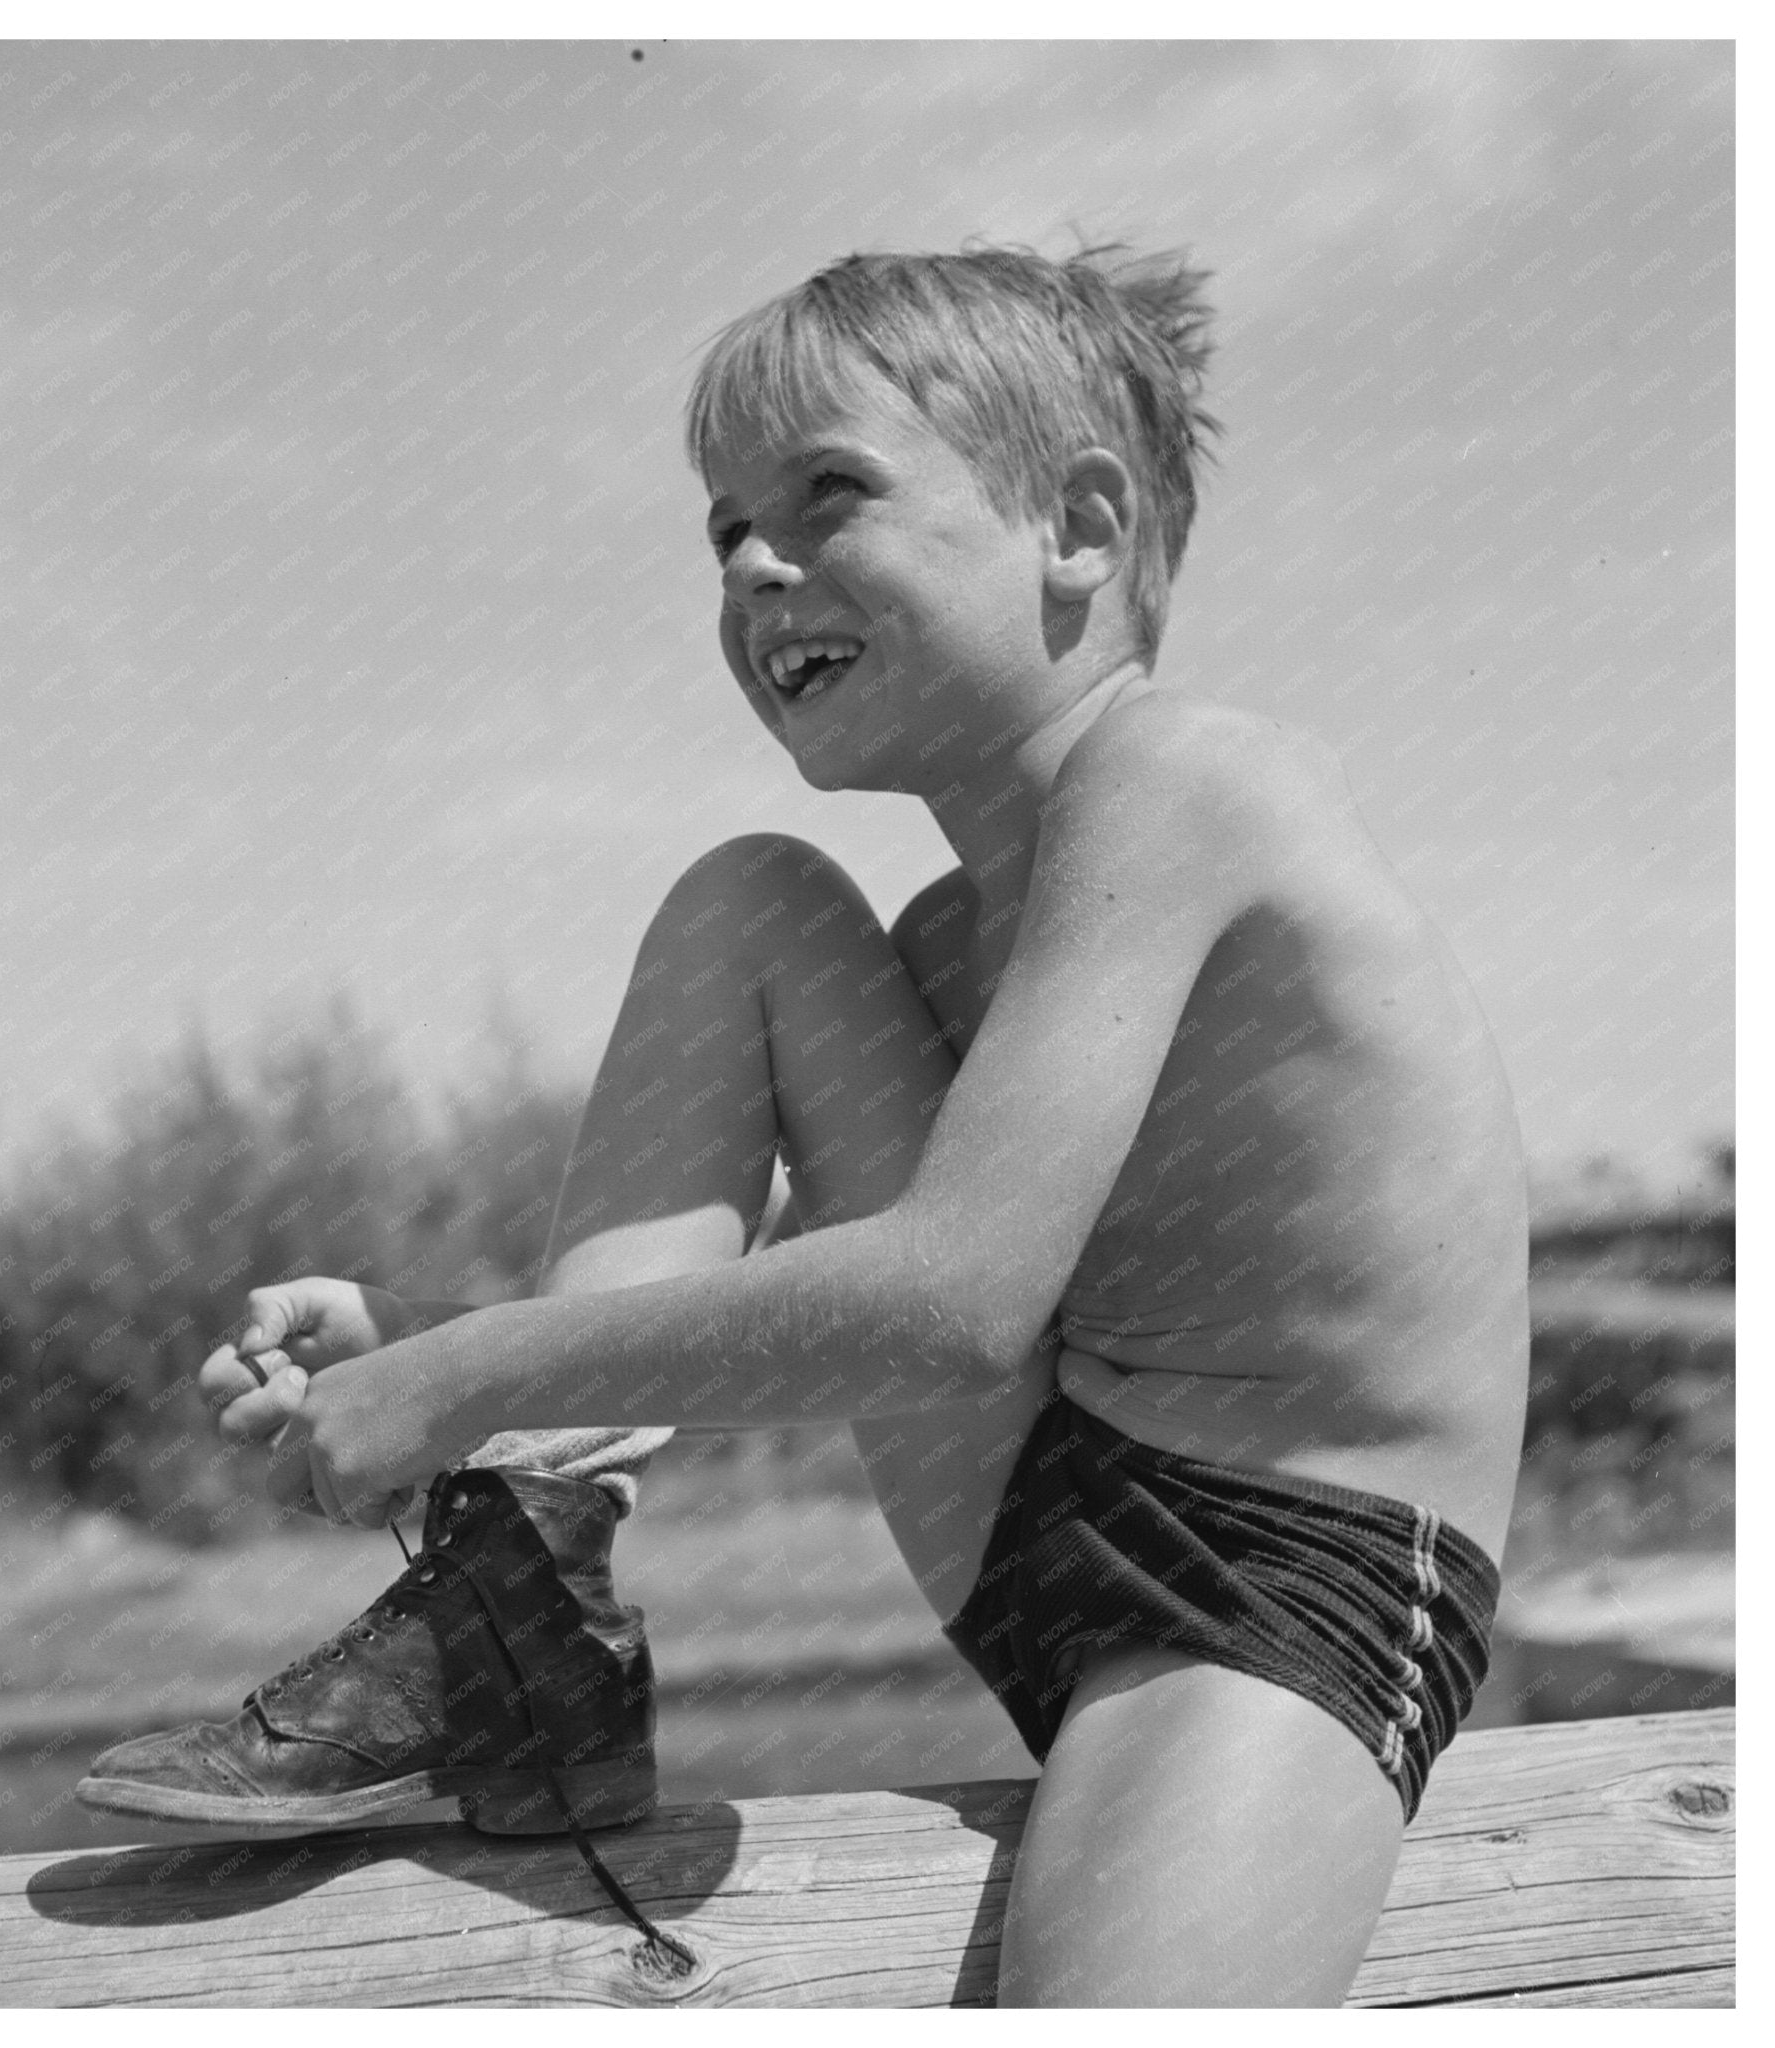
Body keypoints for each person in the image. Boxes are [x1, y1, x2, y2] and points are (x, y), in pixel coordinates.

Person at [80, 243, 1528, 2005]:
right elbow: (847, 1307)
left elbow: (950, 1302)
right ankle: (520, 1597)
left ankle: (515, 1540)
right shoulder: (941, 944)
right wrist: (433, 1339)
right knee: (752, 900)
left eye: (828, 494)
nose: (755, 564)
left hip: (1279, 1579)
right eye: (725, 528)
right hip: (1037, 1498)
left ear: (1080, 528)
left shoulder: (1189, 777)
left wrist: (460, 1379)